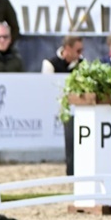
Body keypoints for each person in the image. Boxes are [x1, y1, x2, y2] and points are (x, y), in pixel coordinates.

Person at [42, 34, 85, 175]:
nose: (80, 54)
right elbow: (46, 89)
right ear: (67, 48)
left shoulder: (83, 64)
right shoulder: (50, 64)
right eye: (78, 50)